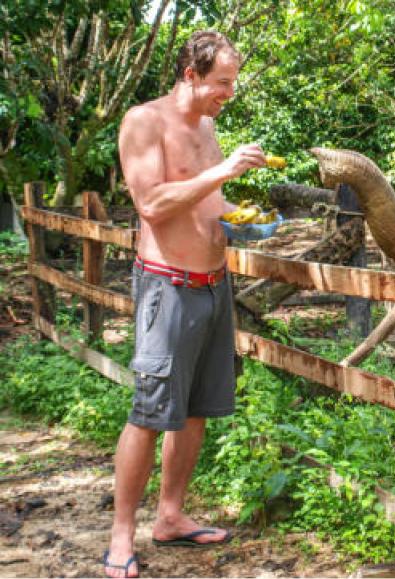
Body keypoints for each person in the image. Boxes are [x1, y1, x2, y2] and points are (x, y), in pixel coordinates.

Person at [103, 30, 268, 578]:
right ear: (191, 74)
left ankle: (170, 516)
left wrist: (240, 220)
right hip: (167, 286)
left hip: (213, 284)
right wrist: (224, 171)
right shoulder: (143, 122)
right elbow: (152, 203)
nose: (230, 93)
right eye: (222, 83)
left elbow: (207, 199)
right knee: (150, 415)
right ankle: (121, 536)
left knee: (196, 411)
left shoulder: (210, 126)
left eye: (234, 83)